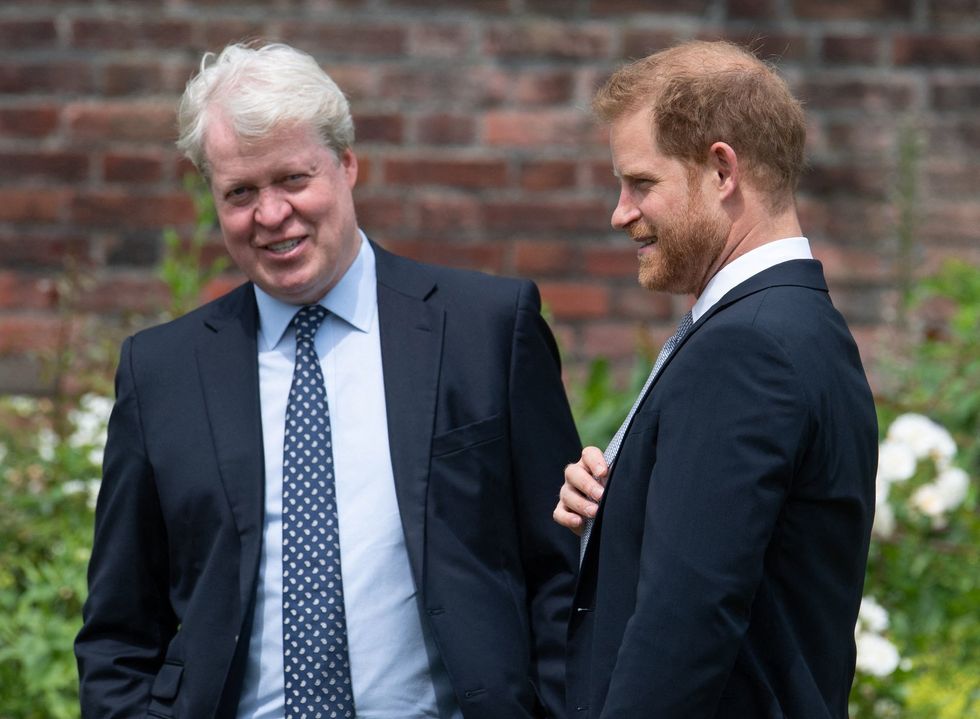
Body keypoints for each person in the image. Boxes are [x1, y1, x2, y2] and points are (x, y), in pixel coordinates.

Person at [75, 42, 580, 719]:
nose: (271, 214)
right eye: (240, 192)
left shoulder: (484, 330)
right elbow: (119, 629)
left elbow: (563, 572)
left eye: (293, 178)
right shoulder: (161, 372)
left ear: (346, 164)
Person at [553, 40, 877, 718]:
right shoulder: (801, 327)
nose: (620, 212)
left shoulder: (745, 348)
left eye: (641, 183)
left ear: (722, 170)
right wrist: (615, 505)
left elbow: (684, 626)